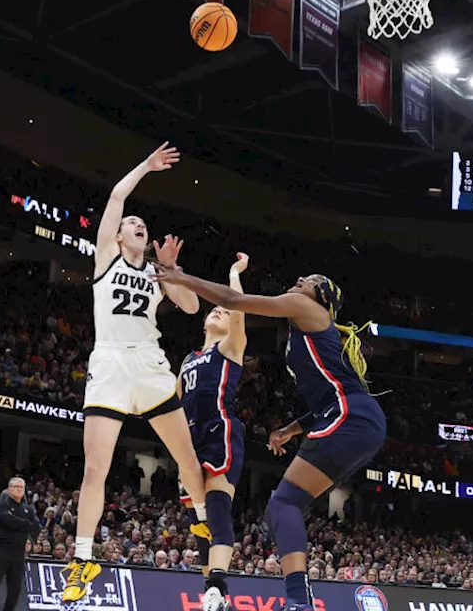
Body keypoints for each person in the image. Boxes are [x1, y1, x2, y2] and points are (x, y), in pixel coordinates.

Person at [153, 267, 385, 611]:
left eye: (313, 279)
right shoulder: (306, 330)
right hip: (355, 420)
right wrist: (290, 429)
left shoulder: (305, 308)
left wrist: (183, 279)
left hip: (351, 416)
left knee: (282, 505)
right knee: (285, 504)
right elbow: (328, 397)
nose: (303, 278)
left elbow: (235, 301)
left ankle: (298, 602)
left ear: (322, 295)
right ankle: (297, 600)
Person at [61, 143, 212, 604]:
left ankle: (204, 517)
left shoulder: (155, 272)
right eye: (132, 224)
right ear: (120, 235)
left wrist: (172, 271)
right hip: (109, 364)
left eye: (142, 224)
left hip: (149, 363)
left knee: (186, 457)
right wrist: (145, 167)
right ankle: (83, 557)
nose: (137, 224)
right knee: (95, 469)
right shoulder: (106, 257)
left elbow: (192, 308)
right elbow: (115, 199)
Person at [178, 252, 249, 611]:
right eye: (213, 310)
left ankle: (218, 587)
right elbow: (172, 409)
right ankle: (212, 597)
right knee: (199, 527)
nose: (218, 312)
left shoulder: (230, 348)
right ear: (204, 322)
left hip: (220, 432)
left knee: (218, 514)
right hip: (188, 442)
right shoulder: (187, 360)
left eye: (221, 310)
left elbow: (236, 309)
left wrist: (234, 274)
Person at [0, 477, 38, 611]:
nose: (18, 489)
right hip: (0, 550)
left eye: (21, 487)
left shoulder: (28, 509)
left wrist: (21, 525)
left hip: (18, 552)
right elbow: (7, 520)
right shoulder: (2, 505)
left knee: (15, 589)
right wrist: (26, 524)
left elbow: (36, 527)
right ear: (9, 489)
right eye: (15, 487)